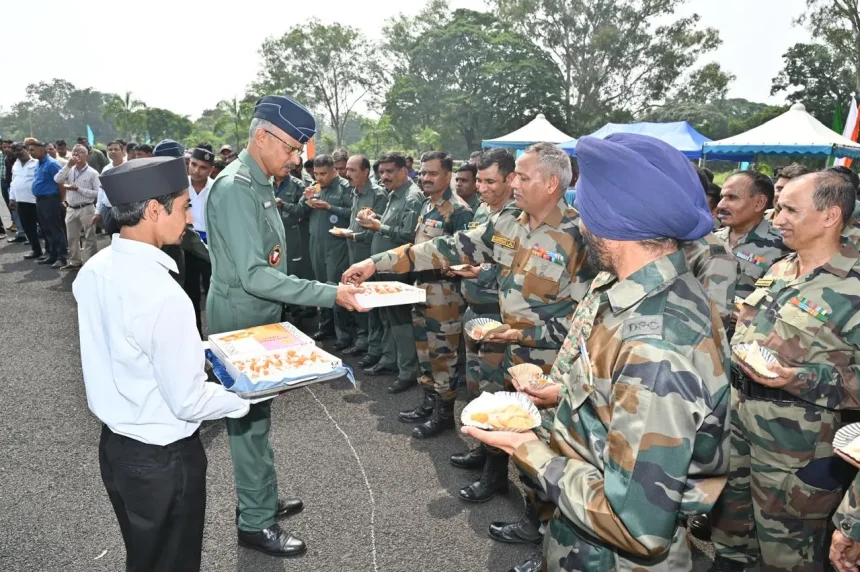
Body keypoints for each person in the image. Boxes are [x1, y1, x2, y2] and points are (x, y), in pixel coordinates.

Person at [466, 133, 730, 572]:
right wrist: (562, 393)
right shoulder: (643, 294)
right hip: (582, 535)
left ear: (608, 216)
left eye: (584, 206)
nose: (580, 220)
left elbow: (635, 524)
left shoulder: (656, 347)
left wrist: (526, 449)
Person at [343, 142, 596, 517]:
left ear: (552, 183)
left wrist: (523, 336)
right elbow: (444, 248)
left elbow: (586, 321)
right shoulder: (507, 222)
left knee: (545, 444)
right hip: (502, 343)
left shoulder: (582, 237)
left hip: (547, 363)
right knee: (495, 415)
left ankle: (540, 523)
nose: (514, 183)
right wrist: (374, 262)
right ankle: (495, 477)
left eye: (523, 177)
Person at [205, 94, 366, 557]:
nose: (297, 160)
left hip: (259, 314)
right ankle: (254, 522)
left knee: (259, 418)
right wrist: (328, 293)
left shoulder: (258, 180)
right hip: (241, 316)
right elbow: (255, 273)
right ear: (262, 137)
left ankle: (262, 499)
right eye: (293, 150)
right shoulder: (237, 187)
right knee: (248, 423)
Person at [74, 156, 250, 571]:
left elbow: (126, 347)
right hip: (163, 459)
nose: (190, 217)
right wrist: (247, 393)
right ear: (155, 210)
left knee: (146, 557)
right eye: (185, 206)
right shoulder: (162, 294)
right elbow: (188, 401)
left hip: (117, 446)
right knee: (173, 562)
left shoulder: (97, 268)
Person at [711, 170, 860, 571]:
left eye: (790, 209)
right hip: (739, 429)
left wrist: (800, 379)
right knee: (729, 542)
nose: (777, 218)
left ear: (830, 216)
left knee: (786, 556)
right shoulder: (780, 269)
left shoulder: (855, 287)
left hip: (795, 451)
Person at [450, 147, 517, 503]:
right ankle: (481, 449)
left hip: (495, 315)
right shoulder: (481, 210)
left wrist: (482, 271)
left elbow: (513, 267)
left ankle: (496, 476)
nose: (482, 186)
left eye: (490, 181)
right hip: (473, 310)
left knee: (493, 394)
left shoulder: (517, 217)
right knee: (475, 387)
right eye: (479, 180)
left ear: (510, 179)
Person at [393, 151, 473, 439]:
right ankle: (429, 403)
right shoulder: (428, 205)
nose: (425, 178)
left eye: (433, 173)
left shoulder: (459, 210)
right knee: (424, 352)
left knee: (443, 356)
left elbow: (466, 258)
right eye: (423, 173)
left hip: (444, 295)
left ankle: (444, 415)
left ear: (448, 175)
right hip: (420, 290)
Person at [354, 152, 424, 387]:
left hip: (398, 268)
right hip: (385, 266)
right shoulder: (395, 194)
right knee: (388, 319)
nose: (384, 176)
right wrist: (378, 218)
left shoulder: (413, 197)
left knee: (400, 321)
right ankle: (390, 360)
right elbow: (394, 223)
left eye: (389, 171)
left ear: (404, 171)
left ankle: (407, 373)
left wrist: (378, 226)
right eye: (381, 172)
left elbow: (409, 236)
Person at [716, 170, 789, 334]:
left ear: (759, 203)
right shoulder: (710, 240)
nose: (721, 204)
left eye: (732, 198)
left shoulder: (782, 247)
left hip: (744, 338)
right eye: (722, 197)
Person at [301, 154, 355, 349]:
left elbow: (353, 214)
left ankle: (344, 334)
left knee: (335, 287)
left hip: (336, 245)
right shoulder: (315, 187)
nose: (319, 178)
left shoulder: (345, 188)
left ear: (334, 171)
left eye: (323, 174)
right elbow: (301, 213)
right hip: (316, 244)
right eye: (316, 173)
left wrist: (330, 207)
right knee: (320, 286)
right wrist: (306, 199)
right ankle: (326, 327)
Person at [339, 154, 388, 358]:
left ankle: (374, 348)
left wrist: (354, 235)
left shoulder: (378, 194)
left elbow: (379, 228)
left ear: (366, 172)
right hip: (353, 252)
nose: (347, 174)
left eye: (352, 170)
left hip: (369, 255)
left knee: (372, 303)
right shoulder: (354, 192)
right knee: (357, 296)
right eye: (347, 170)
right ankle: (362, 340)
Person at [274, 163, 316, 321]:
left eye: (287, 167)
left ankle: (300, 309)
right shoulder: (266, 183)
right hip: (273, 235)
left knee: (297, 270)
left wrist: (283, 205)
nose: (285, 169)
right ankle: (286, 307)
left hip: (293, 234)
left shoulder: (298, 185)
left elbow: (302, 210)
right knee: (277, 268)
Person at [184, 148, 215, 334]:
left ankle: (217, 335)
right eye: (193, 164)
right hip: (186, 242)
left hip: (210, 244)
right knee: (190, 294)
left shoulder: (217, 187)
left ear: (211, 170)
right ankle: (196, 336)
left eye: (203, 167)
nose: (196, 170)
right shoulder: (179, 186)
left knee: (213, 293)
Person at [54, 144, 99, 269]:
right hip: (71, 208)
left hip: (86, 207)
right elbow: (57, 179)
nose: (76, 154)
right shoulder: (70, 169)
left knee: (90, 237)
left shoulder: (92, 173)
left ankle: (91, 263)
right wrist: (68, 165)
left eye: (80, 152)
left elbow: (98, 193)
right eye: (74, 152)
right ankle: (75, 261)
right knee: (72, 237)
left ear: (86, 155)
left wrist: (79, 189)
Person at [28, 140, 66, 268]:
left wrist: (61, 200)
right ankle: (52, 254)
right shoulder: (39, 163)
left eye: (32, 150)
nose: (30, 152)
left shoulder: (52, 164)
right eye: (29, 150)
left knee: (55, 229)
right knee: (46, 229)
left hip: (51, 200)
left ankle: (62, 257)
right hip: (40, 200)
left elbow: (61, 183)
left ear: (42, 150)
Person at [8, 143, 41, 258]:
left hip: (35, 200)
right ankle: (36, 250)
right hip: (21, 200)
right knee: (28, 227)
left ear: (25, 149)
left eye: (18, 149)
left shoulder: (36, 163)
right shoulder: (16, 165)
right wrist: (12, 198)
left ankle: (51, 250)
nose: (17, 152)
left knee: (44, 226)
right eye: (14, 151)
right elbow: (13, 182)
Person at [93, 140, 127, 235]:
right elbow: (101, 191)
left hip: (126, 208)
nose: (113, 152)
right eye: (110, 149)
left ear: (122, 151)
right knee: (113, 236)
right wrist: (98, 212)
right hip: (108, 209)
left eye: (116, 149)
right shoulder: (106, 169)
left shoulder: (129, 167)